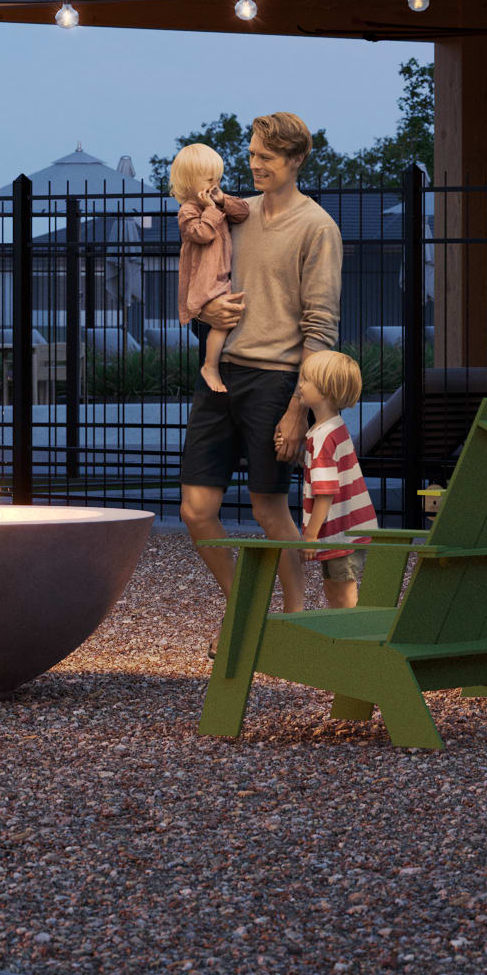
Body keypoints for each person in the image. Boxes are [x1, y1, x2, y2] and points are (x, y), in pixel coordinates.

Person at [177, 112, 343, 612]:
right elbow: (196, 284)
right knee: (195, 509)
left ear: (295, 160)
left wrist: (299, 410)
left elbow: (321, 328)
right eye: (250, 154)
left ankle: (294, 619)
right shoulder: (232, 213)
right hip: (219, 377)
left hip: (276, 383)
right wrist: (203, 310)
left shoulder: (318, 228)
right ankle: (246, 611)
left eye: (266, 157)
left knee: (270, 508)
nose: (253, 165)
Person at [276, 346, 377, 610]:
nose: (300, 385)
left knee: (342, 595)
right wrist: (301, 457)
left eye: (307, 380)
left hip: (340, 532)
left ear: (326, 392)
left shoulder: (322, 437)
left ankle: (351, 644)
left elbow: (325, 491)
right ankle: (346, 641)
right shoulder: (332, 428)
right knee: (337, 592)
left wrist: (310, 536)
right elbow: (330, 471)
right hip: (350, 528)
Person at [170, 143, 254, 393]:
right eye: (209, 180)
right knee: (220, 322)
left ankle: (217, 365)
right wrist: (211, 210)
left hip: (220, 274)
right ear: (189, 181)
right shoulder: (187, 211)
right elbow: (202, 234)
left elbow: (243, 212)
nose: (214, 184)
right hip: (204, 279)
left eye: (218, 179)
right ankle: (210, 366)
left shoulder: (216, 204)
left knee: (228, 319)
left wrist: (221, 201)